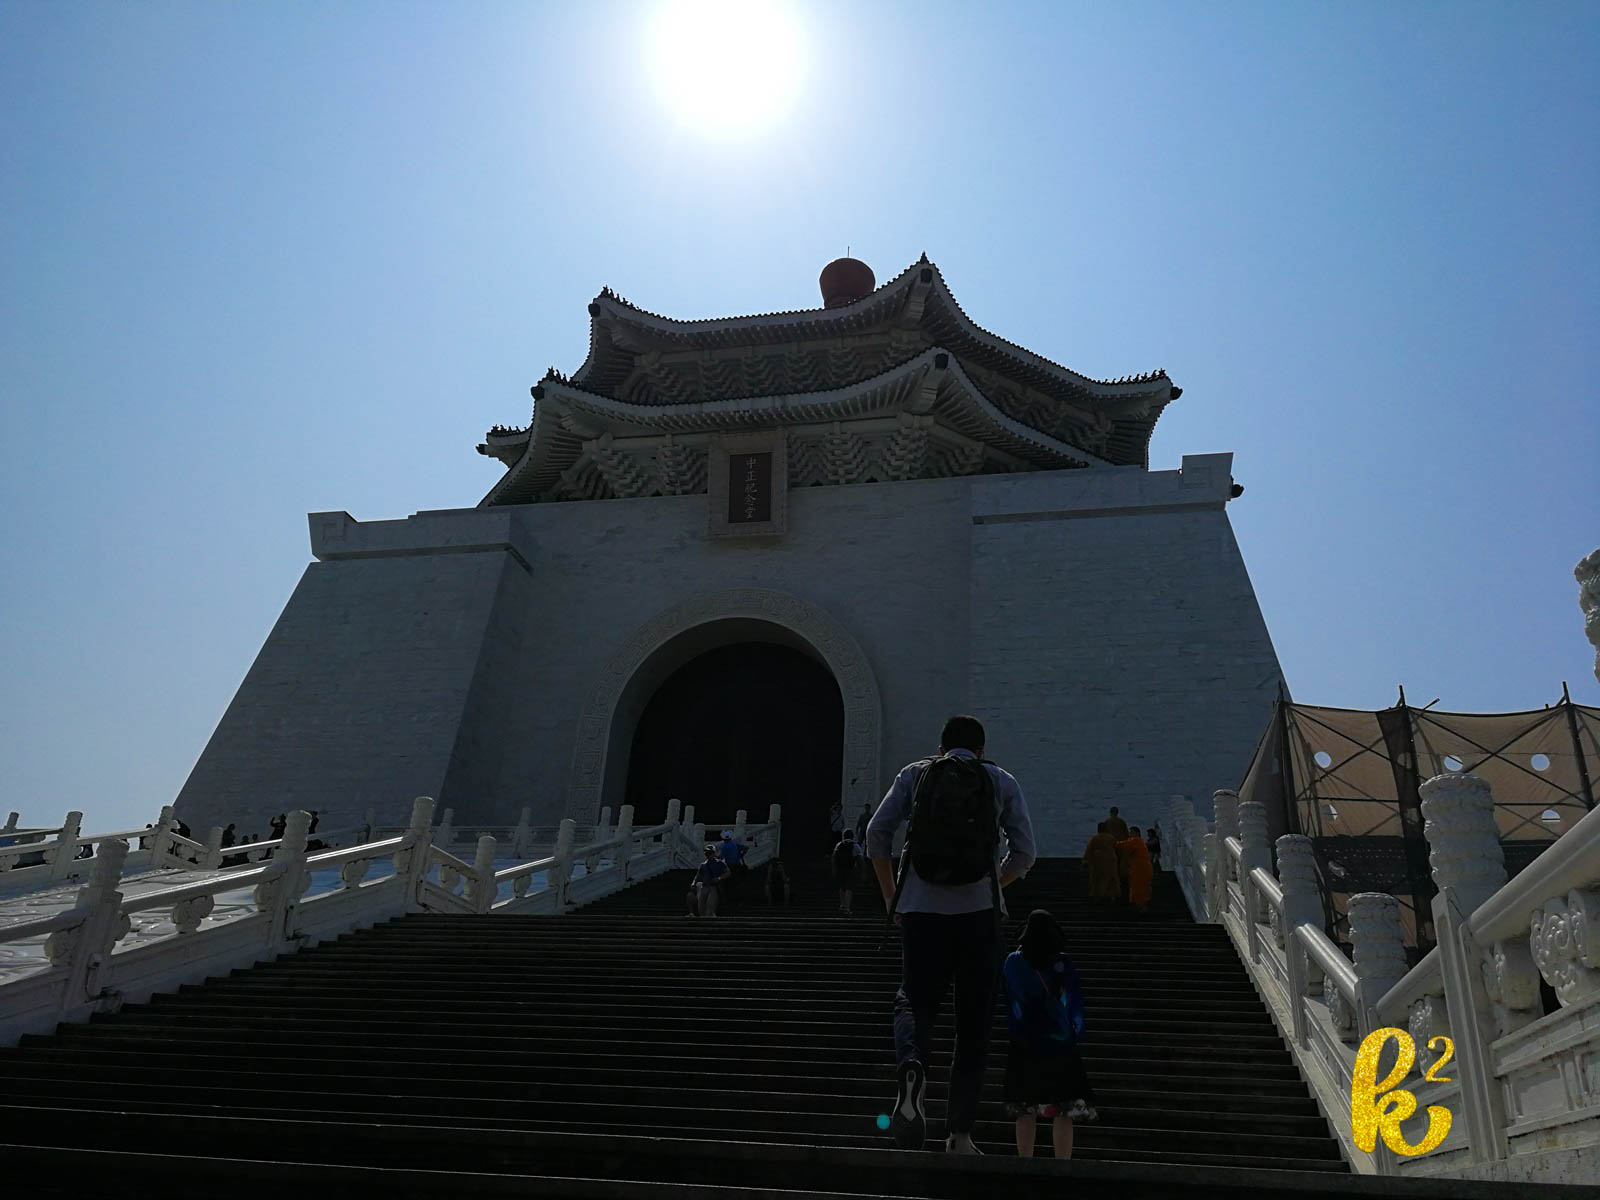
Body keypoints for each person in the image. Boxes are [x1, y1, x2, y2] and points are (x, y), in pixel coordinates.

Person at [868, 714, 1035, 1156]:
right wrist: (993, 885)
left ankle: (912, 1064)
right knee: (974, 1025)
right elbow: (1025, 854)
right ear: (981, 748)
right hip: (979, 917)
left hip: (921, 912)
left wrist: (891, 897)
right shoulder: (999, 780)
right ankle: (959, 1135)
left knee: (913, 1001)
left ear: (941, 747)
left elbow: (876, 835)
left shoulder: (916, 775)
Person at [1002, 909, 1098, 1158]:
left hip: (1024, 1046)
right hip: (1061, 1046)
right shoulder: (1063, 962)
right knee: (1064, 1109)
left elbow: (1010, 1001)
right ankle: (1062, 1163)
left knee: (1025, 1108)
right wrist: (1076, 1030)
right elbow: (1075, 1001)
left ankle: (1025, 1161)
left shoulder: (1013, 962)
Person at [1119, 826, 1153, 915]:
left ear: (1137, 833)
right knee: (1142, 888)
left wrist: (1112, 843)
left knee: (1139, 888)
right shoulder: (1140, 842)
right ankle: (1142, 906)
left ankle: (1141, 907)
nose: (1130, 834)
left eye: (1131, 832)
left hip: (1141, 869)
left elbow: (1124, 845)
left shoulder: (1136, 840)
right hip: (1143, 868)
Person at [1083, 822, 1118, 905]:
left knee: (1097, 879)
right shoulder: (1112, 838)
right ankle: (1112, 896)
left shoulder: (1095, 838)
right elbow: (1116, 847)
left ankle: (1098, 896)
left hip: (1098, 860)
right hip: (1110, 859)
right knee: (1111, 878)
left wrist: (1085, 860)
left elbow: (1089, 849)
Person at [830, 829, 861, 915]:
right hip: (850, 868)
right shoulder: (855, 846)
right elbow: (860, 858)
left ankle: (842, 904)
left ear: (843, 836)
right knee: (849, 888)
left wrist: (834, 869)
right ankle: (847, 907)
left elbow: (833, 857)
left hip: (840, 869)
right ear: (852, 836)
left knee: (841, 887)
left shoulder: (839, 845)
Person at [692, 844, 728, 917]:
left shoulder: (720, 863)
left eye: (710, 853)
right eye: (707, 854)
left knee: (710, 905)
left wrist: (719, 878)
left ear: (714, 853)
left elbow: (728, 872)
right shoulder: (703, 865)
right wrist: (693, 883)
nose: (708, 855)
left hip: (713, 887)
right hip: (704, 886)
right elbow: (698, 875)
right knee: (701, 908)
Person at [719, 831, 748, 908]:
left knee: (724, 882)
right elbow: (746, 848)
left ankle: (725, 899)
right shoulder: (735, 844)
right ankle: (741, 900)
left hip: (729, 866)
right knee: (738, 883)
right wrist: (741, 855)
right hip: (737, 866)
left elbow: (721, 857)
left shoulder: (725, 846)